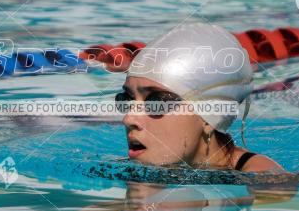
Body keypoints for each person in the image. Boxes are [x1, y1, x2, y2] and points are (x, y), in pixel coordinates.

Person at [117, 22, 284, 173]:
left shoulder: (263, 178)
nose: (129, 118)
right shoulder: (135, 167)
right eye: (127, 99)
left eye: (156, 102)